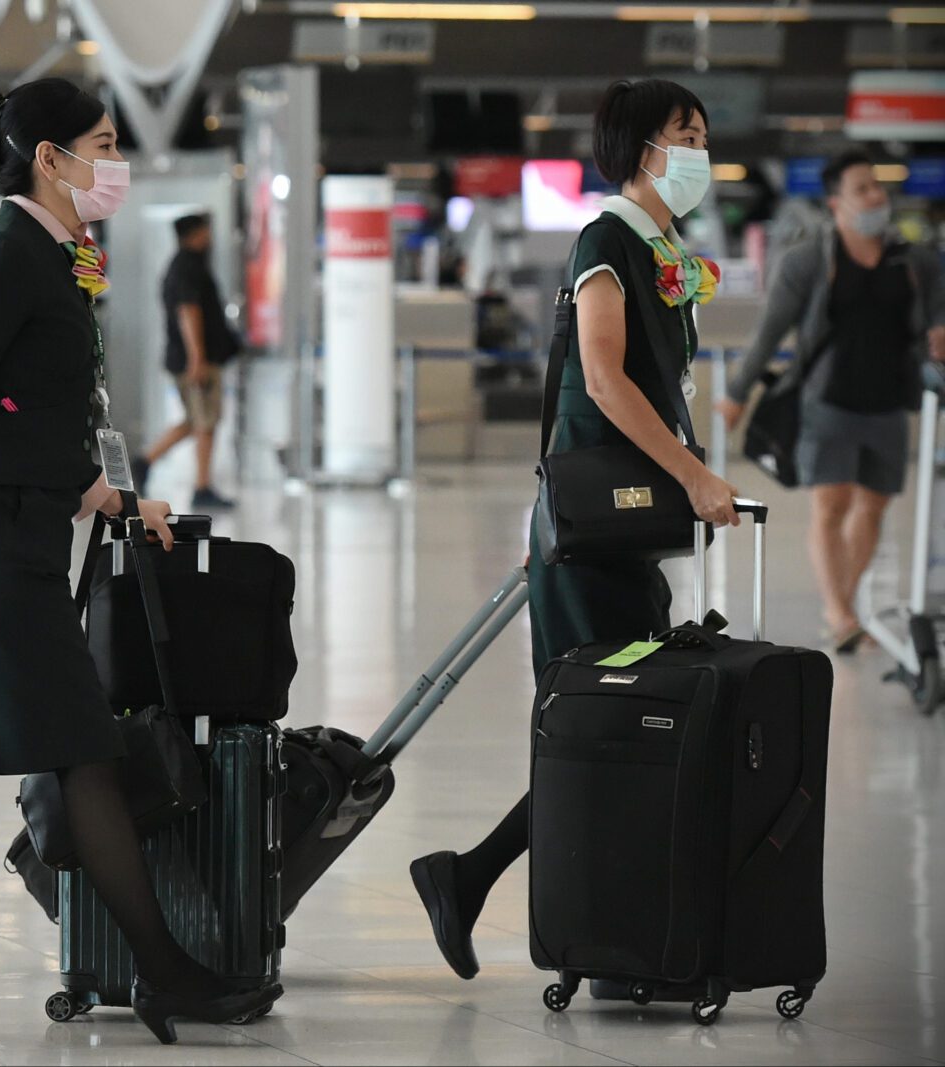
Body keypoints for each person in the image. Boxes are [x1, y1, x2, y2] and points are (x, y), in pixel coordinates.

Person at [0, 77, 281, 1045]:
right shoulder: (3, 256)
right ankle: (163, 970)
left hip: (20, 534)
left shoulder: (57, 254)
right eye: (102, 143)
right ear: (49, 157)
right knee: (83, 749)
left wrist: (114, 497)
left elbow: (31, 418)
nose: (115, 162)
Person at [408, 79, 740, 985]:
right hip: (595, 532)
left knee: (615, 729)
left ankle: (525, 899)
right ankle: (498, 890)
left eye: (704, 134)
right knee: (597, 730)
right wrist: (695, 474)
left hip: (622, 531)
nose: (700, 151)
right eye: (685, 134)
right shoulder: (606, 242)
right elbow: (600, 380)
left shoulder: (662, 248)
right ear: (641, 148)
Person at [718, 149, 945, 653]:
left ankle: (843, 603)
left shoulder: (914, 261)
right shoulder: (808, 262)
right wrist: (736, 393)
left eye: (877, 187)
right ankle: (840, 612)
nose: (875, 197)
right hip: (827, 403)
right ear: (836, 202)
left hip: (889, 404)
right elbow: (768, 331)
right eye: (862, 188)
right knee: (832, 504)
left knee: (872, 509)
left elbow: (936, 315)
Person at [133, 214, 240, 509]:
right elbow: (188, 312)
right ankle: (202, 486)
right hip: (195, 360)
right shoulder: (188, 267)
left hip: (186, 357)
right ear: (196, 234)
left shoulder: (180, 265)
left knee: (195, 420)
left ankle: (145, 461)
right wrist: (198, 358)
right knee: (205, 421)